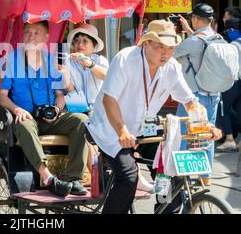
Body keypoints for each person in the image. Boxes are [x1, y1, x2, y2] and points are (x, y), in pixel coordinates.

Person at [86, 19, 222, 214]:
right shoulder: (126, 59)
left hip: (143, 129)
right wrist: (122, 131)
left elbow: (190, 101)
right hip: (108, 129)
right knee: (129, 177)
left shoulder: (172, 67)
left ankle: (165, 211)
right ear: (146, 43)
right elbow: (109, 100)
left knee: (168, 170)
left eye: (171, 48)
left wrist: (206, 126)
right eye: (160, 47)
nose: (166, 53)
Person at [0, 20, 89, 198]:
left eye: (36, 33)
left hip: (50, 117)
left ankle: (72, 178)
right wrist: (16, 109)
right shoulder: (13, 60)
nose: (31, 36)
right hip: (26, 117)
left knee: (82, 120)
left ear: (46, 38)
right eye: (27, 32)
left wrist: (56, 109)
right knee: (24, 123)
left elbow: (60, 95)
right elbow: (2, 96)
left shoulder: (52, 60)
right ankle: (48, 179)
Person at [174, 3, 220, 185]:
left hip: (193, 98)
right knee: (208, 133)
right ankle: (205, 176)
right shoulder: (217, 37)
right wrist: (188, 29)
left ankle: (181, 176)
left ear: (195, 19)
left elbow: (171, 53)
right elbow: (200, 44)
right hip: (214, 96)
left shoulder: (192, 42)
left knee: (184, 133)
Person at [216, 14, 241, 152]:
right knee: (239, 111)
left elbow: (230, 68)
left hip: (234, 83)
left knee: (223, 109)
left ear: (231, 31)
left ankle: (230, 140)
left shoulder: (233, 46)